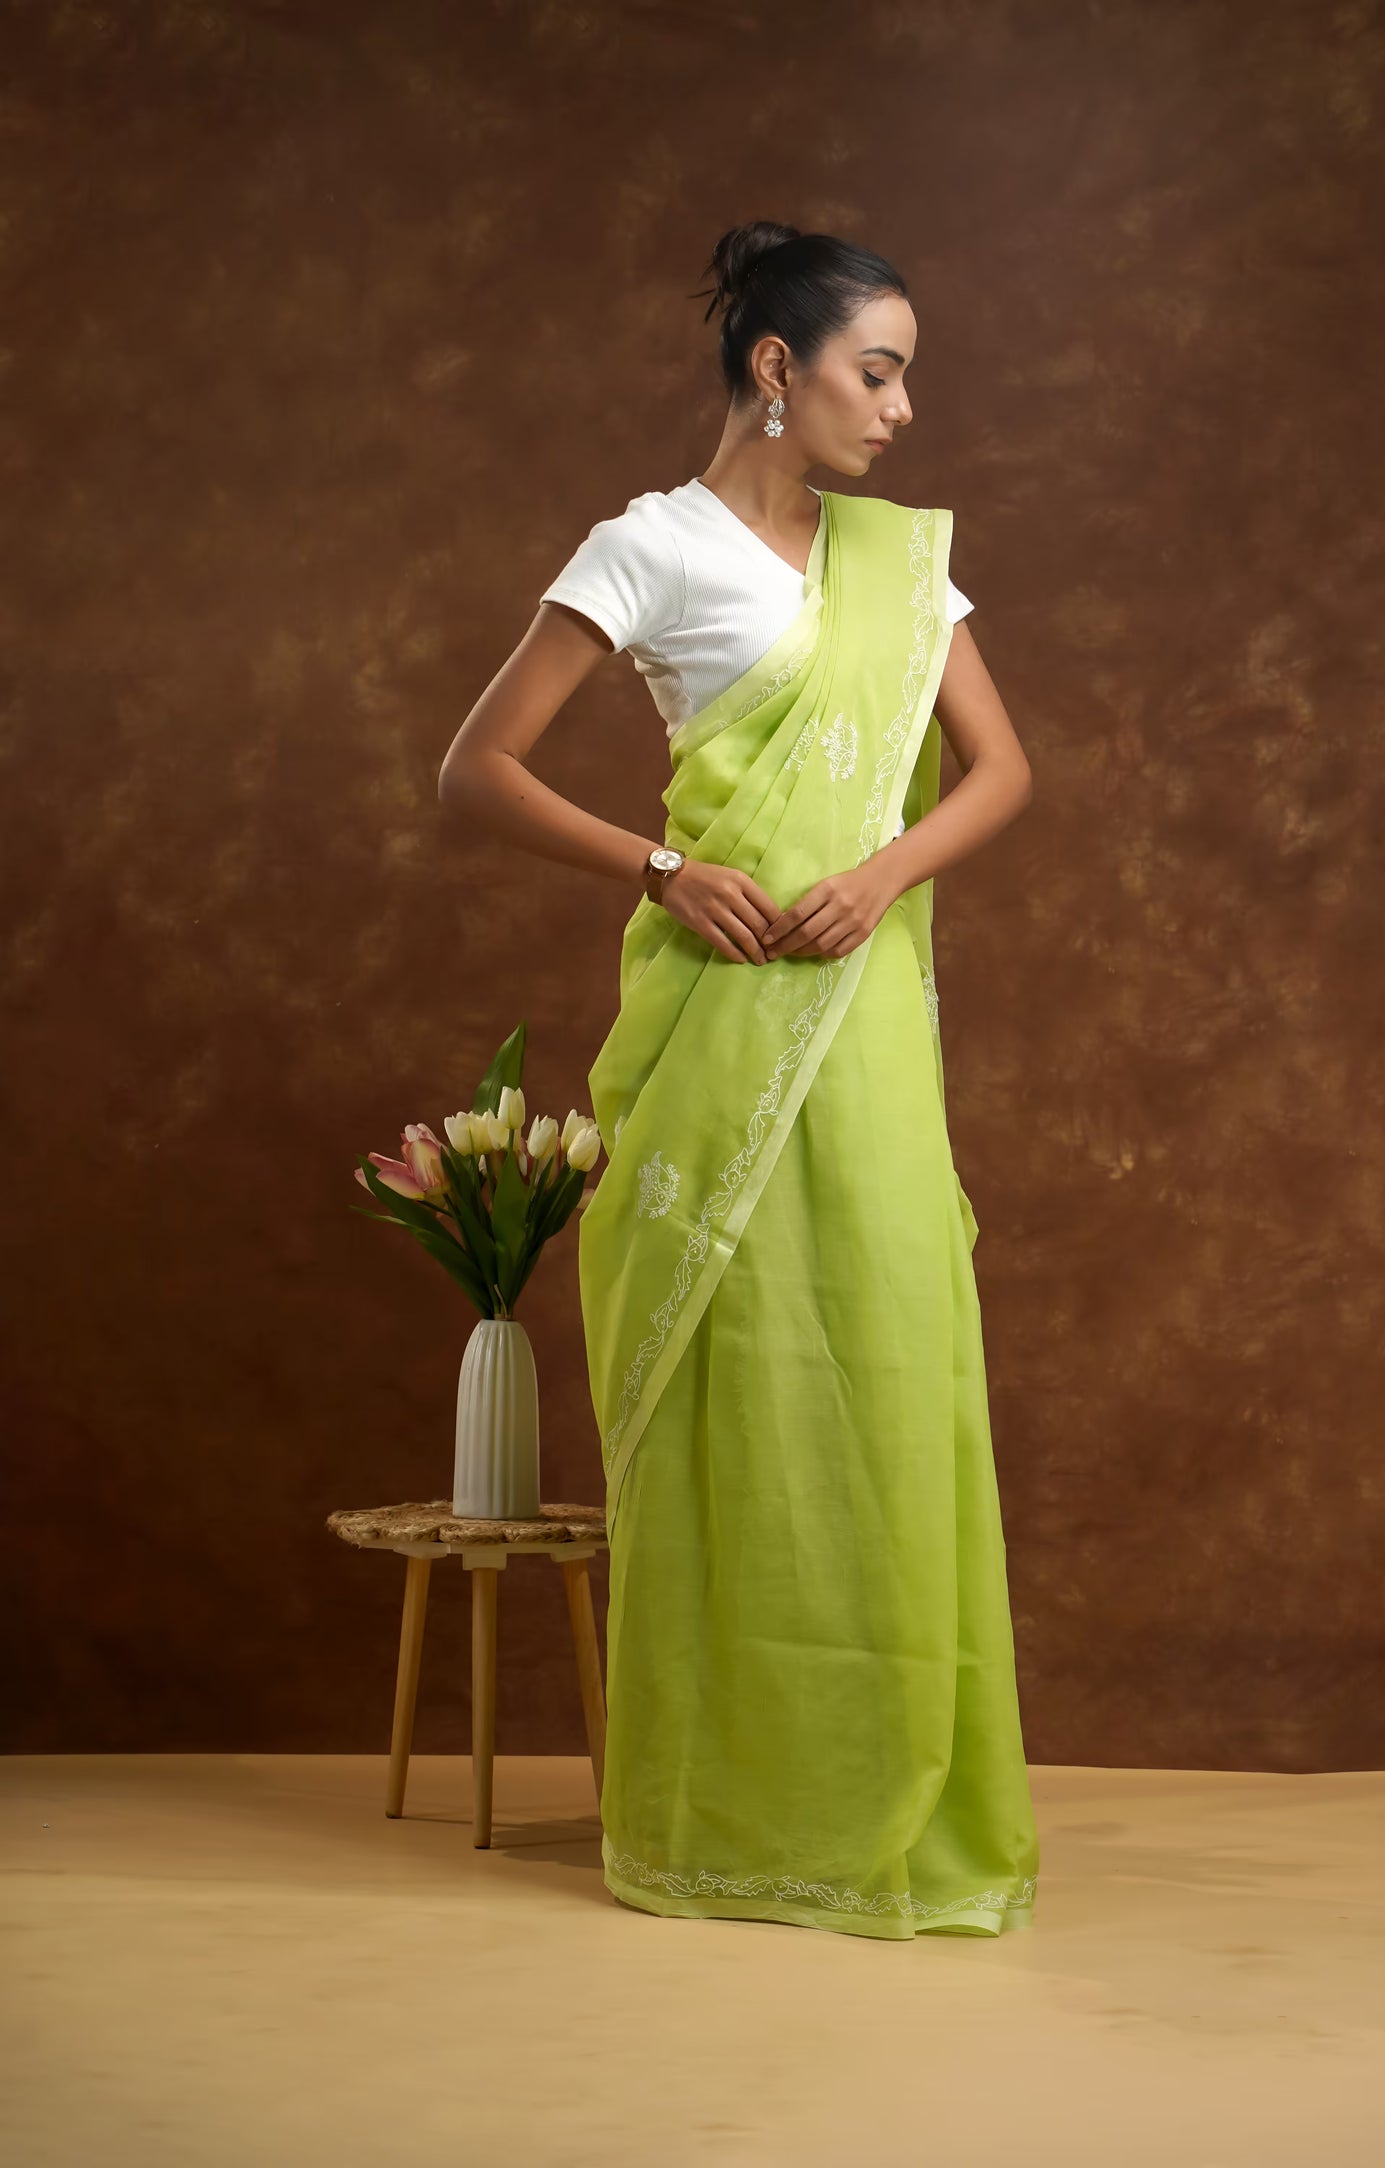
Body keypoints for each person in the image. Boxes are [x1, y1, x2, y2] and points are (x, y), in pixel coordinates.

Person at [438, 221, 1039, 1940]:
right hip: (713, 1022)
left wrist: (888, 871)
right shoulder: (651, 550)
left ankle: (891, 1795)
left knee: (885, 1365)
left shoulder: (899, 564)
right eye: (878, 369)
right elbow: (473, 767)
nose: (904, 408)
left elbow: (1001, 770)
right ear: (775, 370)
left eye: (907, 371)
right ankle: (728, 1811)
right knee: (738, 1399)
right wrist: (653, 867)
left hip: (863, 1031)